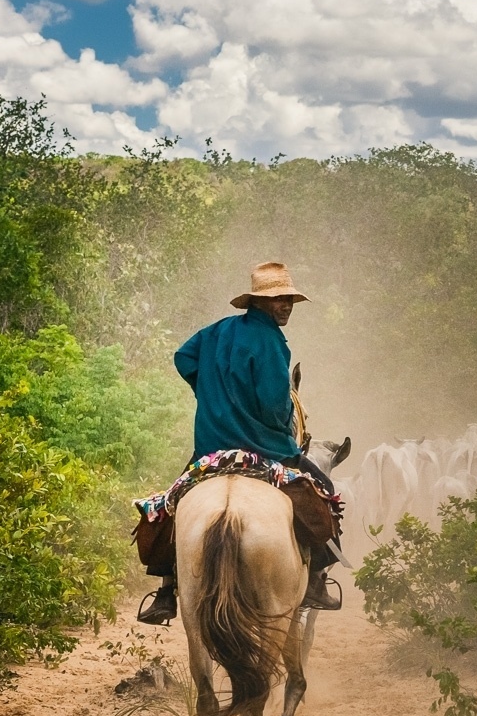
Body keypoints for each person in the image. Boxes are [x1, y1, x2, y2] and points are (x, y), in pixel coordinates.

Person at [137, 261, 341, 625]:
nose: (286, 305)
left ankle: (167, 590)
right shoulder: (272, 342)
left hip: (212, 449)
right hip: (267, 448)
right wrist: (275, 424)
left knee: (171, 503)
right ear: (259, 302)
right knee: (324, 492)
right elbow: (275, 402)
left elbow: (183, 357)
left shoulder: (217, 331)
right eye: (277, 299)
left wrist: (213, 394)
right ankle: (315, 584)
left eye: (289, 299)